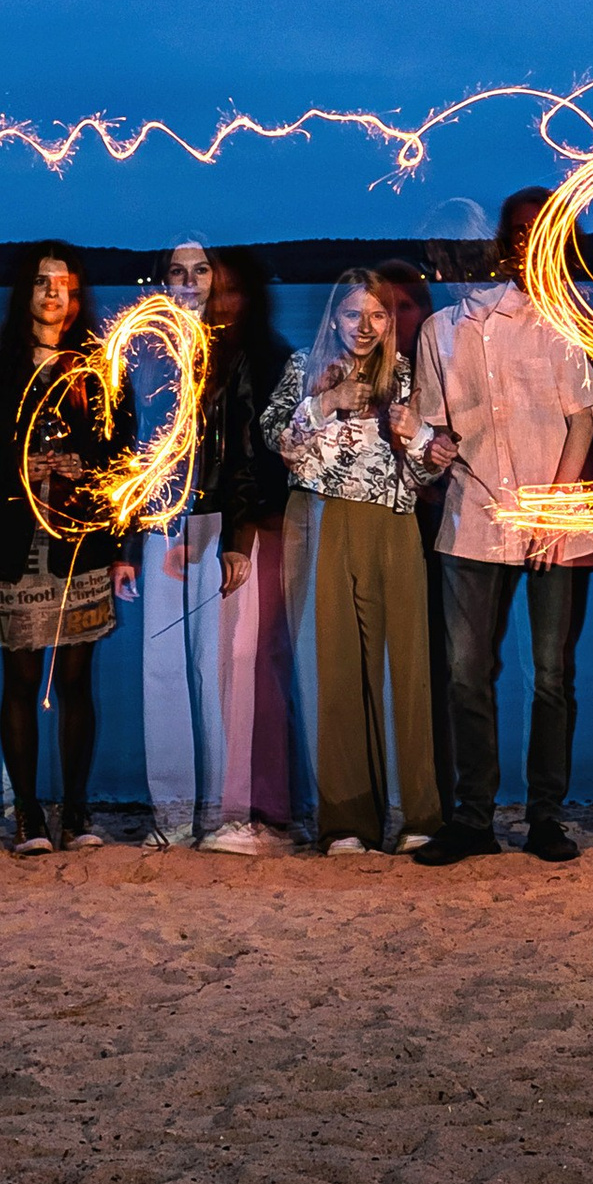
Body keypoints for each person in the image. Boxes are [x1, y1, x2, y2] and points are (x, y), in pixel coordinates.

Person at [409, 188, 593, 866]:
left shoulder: (564, 322)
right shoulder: (439, 330)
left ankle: (547, 817)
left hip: (555, 524)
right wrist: (431, 451)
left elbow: (583, 419)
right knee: (467, 672)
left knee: (551, 673)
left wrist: (554, 508)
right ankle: (474, 818)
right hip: (473, 517)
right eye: (518, 235)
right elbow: (435, 430)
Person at [0, 242, 138, 853]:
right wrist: (32, 457)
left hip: (81, 547)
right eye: (42, 282)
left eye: (64, 283)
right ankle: (29, 817)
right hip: (16, 545)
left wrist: (123, 549)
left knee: (74, 681)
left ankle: (78, 813)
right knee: (19, 680)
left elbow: (123, 465)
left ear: (77, 294)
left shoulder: (104, 373)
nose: (53, 293)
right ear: (27, 293)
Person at [267, 270, 445, 851]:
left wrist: (423, 440)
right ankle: (346, 822)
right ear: (333, 318)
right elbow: (281, 445)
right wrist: (327, 403)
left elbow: (425, 471)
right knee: (333, 670)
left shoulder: (407, 375)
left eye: (378, 316)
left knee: (405, 670)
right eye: (352, 315)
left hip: (392, 524)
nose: (364, 328)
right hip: (318, 521)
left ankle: (415, 816)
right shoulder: (302, 368)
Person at [135, 241, 246, 849]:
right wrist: (127, 546)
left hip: (211, 519)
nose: (188, 282)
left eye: (200, 271)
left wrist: (238, 535)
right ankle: (172, 810)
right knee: (160, 665)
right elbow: (129, 439)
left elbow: (245, 445)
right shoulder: (144, 350)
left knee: (211, 664)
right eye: (177, 272)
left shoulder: (233, 349)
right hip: (156, 516)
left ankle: (218, 808)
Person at [208, 245, 297, 851]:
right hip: (211, 526)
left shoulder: (271, 359)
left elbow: (262, 456)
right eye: (214, 290)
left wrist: (246, 530)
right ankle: (227, 798)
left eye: (231, 290)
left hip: (263, 526)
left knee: (256, 661)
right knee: (229, 665)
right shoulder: (191, 360)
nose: (220, 303)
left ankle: (266, 805)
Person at [377, 258, 456, 825]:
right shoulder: (350, 376)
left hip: (431, 531)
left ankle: (434, 796)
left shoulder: (433, 371)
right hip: (368, 532)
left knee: (435, 664)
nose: (395, 318)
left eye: (407, 305)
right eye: (386, 307)